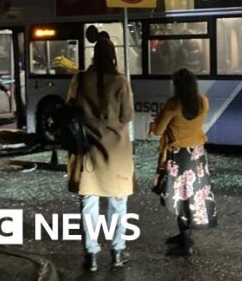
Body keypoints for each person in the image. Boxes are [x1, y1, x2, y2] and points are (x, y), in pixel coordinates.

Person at [66, 38, 135, 272]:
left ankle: (91, 254)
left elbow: (69, 106)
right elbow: (127, 116)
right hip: (116, 150)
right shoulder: (120, 81)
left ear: (93, 55)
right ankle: (117, 251)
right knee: (118, 203)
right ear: (113, 56)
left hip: (88, 150)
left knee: (89, 204)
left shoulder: (81, 79)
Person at [149, 68, 217, 257]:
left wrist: (154, 124)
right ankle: (185, 235)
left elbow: (158, 130)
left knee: (179, 196)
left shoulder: (173, 104)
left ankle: (186, 244)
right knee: (192, 196)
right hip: (196, 154)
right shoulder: (203, 101)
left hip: (179, 155)